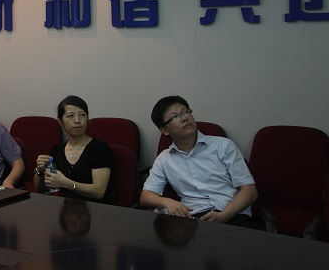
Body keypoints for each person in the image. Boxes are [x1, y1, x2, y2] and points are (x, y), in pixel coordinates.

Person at [140, 95, 259, 228]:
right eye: (175, 117)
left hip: (232, 216)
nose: (184, 118)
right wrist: (166, 202)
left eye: (186, 112)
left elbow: (249, 191)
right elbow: (146, 197)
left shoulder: (223, 146)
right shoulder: (164, 159)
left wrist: (224, 216)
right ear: (165, 130)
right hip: (192, 221)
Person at [34, 95, 113, 201]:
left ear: (87, 118)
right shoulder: (57, 150)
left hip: (92, 208)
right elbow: (40, 190)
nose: (77, 120)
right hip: (62, 207)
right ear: (61, 121)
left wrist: (66, 183)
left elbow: (99, 192)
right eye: (70, 116)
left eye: (82, 115)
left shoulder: (99, 148)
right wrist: (40, 171)